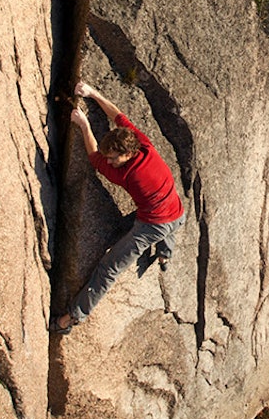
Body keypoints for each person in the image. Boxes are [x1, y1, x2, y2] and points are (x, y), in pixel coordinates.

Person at [50, 81, 186, 332]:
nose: (110, 161)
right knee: (172, 220)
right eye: (110, 157)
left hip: (154, 225)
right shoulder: (142, 144)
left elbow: (93, 157)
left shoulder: (127, 175)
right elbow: (116, 114)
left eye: (113, 157)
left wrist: (84, 125)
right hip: (176, 210)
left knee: (108, 268)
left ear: (126, 155)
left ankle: (72, 318)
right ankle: (166, 253)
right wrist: (92, 93)